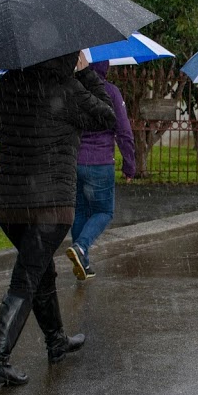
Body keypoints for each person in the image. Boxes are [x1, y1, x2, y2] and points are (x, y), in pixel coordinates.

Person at [0, 50, 116, 386]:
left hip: (9, 201)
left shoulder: (11, 80)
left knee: (40, 268)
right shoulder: (68, 87)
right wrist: (87, 74)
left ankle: (56, 341)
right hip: (49, 203)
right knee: (26, 277)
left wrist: (24, 127)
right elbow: (107, 117)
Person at [66, 60, 137, 280]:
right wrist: (129, 164)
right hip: (100, 162)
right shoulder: (111, 92)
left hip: (75, 160)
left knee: (79, 211)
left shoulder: (73, 88)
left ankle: (83, 263)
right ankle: (81, 247)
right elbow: (123, 131)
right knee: (104, 211)